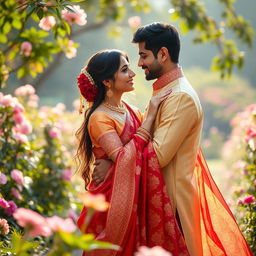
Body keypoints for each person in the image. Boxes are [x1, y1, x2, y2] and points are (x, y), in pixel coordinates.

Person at [93, 23, 253, 256]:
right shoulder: (165, 91)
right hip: (157, 202)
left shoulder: (180, 97)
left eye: (143, 56)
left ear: (163, 54)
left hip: (173, 208)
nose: (139, 65)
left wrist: (114, 164)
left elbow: (156, 156)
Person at [75, 49, 189, 256]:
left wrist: (113, 164)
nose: (133, 74)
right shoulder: (100, 118)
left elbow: (142, 149)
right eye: (125, 70)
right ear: (107, 82)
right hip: (113, 202)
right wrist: (151, 114)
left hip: (135, 195)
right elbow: (122, 157)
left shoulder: (130, 110)